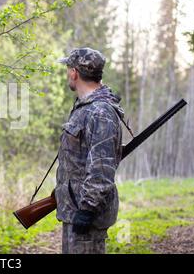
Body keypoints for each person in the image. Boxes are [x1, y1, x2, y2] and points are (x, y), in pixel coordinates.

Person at [55, 47, 125, 254]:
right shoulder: (85, 108)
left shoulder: (100, 112)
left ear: (74, 72)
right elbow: (79, 160)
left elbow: (101, 170)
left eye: (68, 68)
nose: (68, 73)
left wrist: (86, 210)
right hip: (74, 209)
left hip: (86, 215)